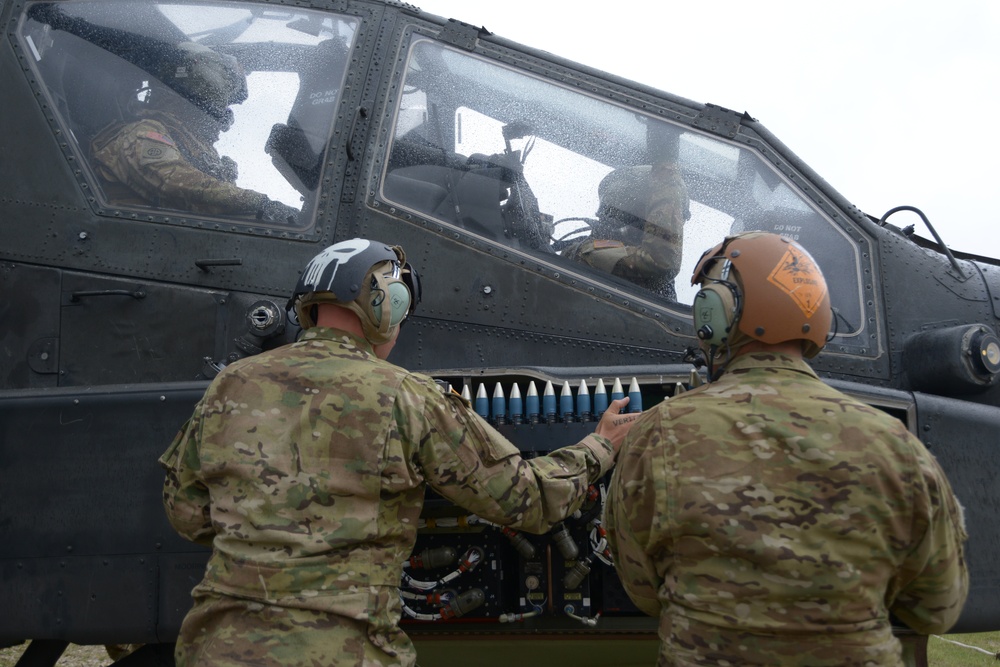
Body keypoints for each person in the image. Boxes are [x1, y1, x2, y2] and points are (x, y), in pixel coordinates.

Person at [158, 238, 638, 667]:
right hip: (341, 651)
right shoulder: (405, 395)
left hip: (215, 646)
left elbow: (186, 512)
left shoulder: (231, 383)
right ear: (383, 305)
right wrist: (599, 447)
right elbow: (527, 501)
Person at [603, 231, 969, 666]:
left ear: (717, 314)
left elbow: (643, 591)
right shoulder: (894, 444)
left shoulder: (655, 435)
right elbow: (937, 608)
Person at [90, 41, 298, 222]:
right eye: (220, 111)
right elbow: (174, 182)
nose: (224, 121)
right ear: (197, 107)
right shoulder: (144, 132)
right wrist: (260, 203)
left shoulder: (197, 147)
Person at [561, 161, 690, 299]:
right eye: (666, 213)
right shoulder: (587, 253)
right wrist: (665, 182)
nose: (673, 223)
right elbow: (660, 261)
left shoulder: (609, 254)